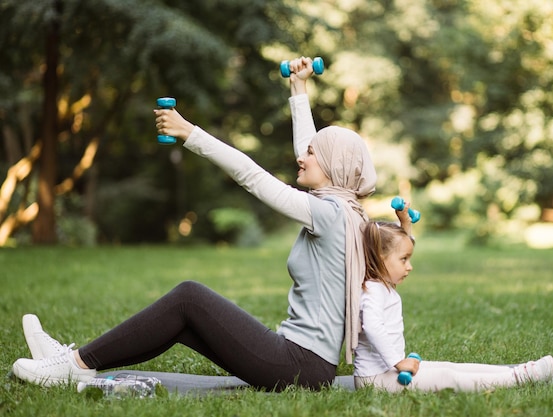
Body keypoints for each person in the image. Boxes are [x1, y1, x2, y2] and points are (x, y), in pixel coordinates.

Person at [11, 56, 377, 391]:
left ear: (332, 167)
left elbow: (252, 176)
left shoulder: (329, 214)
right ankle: (76, 362)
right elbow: (306, 150)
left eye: (313, 153)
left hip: (299, 366)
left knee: (190, 296)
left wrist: (190, 133)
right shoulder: (342, 210)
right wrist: (299, 88)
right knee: (184, 319)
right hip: (300, 362)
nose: (303, 156)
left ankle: (73, 365)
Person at [353, 205, 553, 393]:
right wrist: (398, 362)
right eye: (404, 260)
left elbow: (401, 245)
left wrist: (405, 223)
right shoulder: (373, 290)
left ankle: (515, 372)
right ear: (381, 260)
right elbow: (372, 327)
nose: (410, 266)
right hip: (375, 379)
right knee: (446, 377)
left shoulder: (382, 283)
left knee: (449, 367)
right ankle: (519, 378)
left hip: (385, 372)